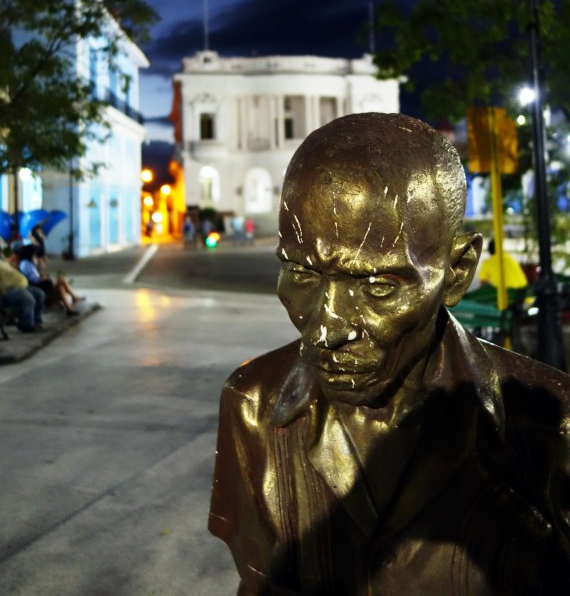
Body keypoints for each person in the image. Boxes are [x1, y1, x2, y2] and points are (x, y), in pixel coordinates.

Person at [209, 113, 570, 595]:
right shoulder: (252, 407)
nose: (327, 328)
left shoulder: (552, 424)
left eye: (379, 286)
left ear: (457, 273)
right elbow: (258, 583)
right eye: (302, 273)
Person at [16, 244, 83, 316]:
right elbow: (34, 279)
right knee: (61, 280)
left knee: (60, 287)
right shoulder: (25, 264)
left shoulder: (29, 263)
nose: (35, 255)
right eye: (34, 253)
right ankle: (74, 298)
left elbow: (35, 275)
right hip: (37, 286)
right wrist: (42, 278)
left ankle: (69, 309)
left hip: (39, 284)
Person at [0, 253, 45, 333]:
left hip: (21, 286)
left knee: (39, 294)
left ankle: (37, 321)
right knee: (27, 298)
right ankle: (26, 325)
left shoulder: (3, 261)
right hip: (7, 291)